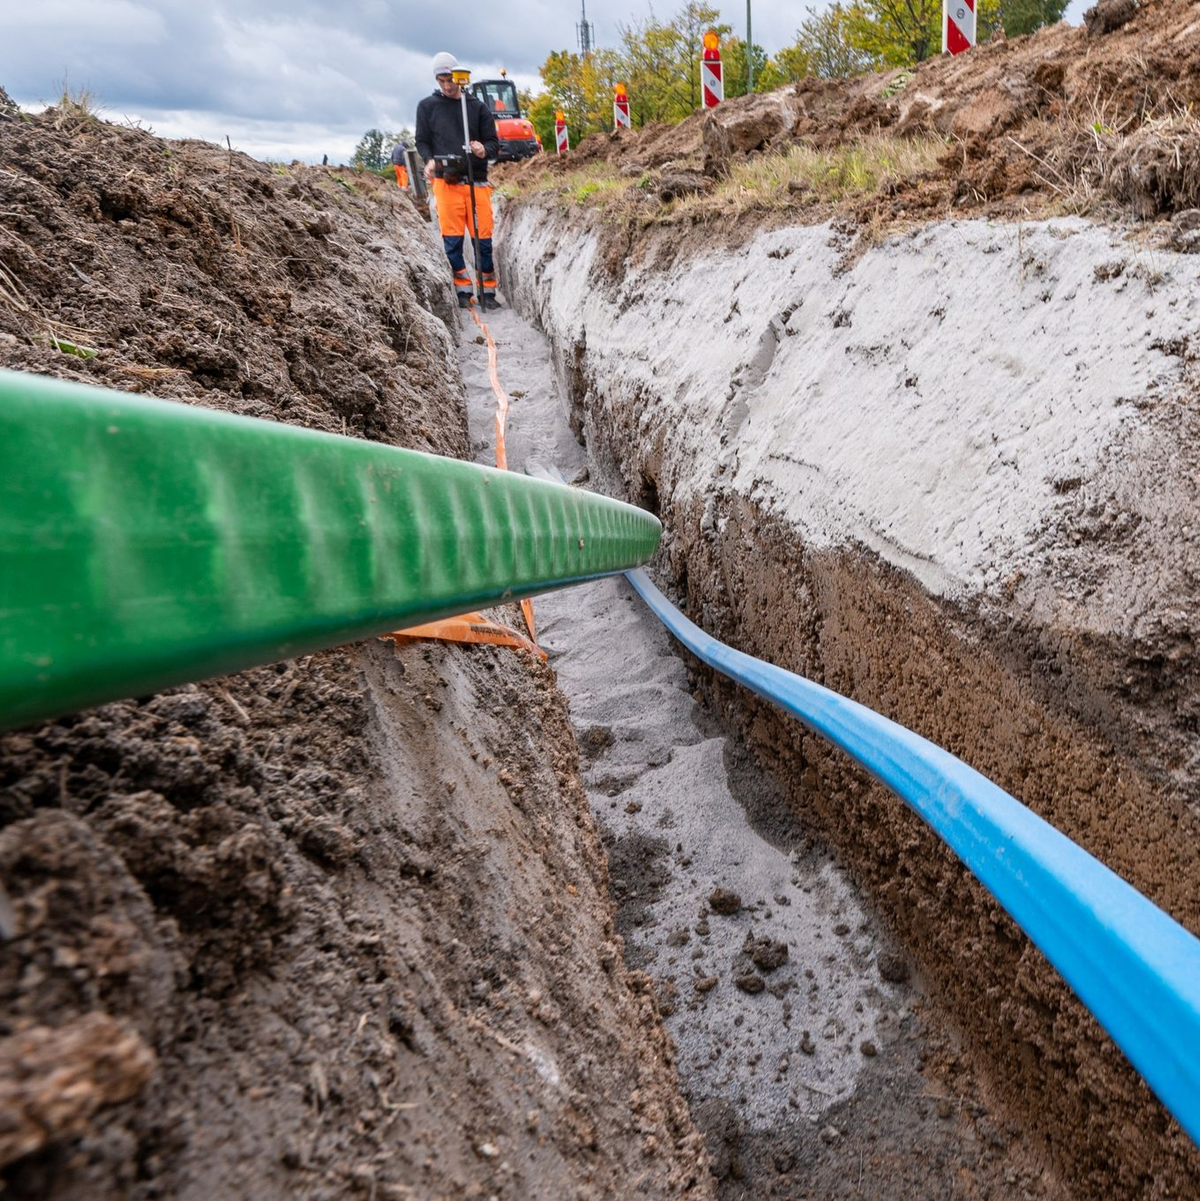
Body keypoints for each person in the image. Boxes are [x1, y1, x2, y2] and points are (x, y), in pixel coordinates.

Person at [415, 51, 500, 309]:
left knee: (482, 239)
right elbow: (422, 141)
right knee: (452, 240)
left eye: (451, 79)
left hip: (477, 182)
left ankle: (488, 292)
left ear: (459, 77)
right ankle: (463, 292)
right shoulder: (427, 107)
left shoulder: (476, 108)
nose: (447, 85)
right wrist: (429, 160)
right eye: (442, 80)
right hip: (446, 183)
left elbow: (494, 143)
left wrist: (482, 150)